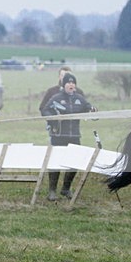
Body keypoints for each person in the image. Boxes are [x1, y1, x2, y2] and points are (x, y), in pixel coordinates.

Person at [41, 72, 96, 201]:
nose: (71, 85)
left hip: (74, 136)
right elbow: (45, 110)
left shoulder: (80, 99)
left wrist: (93, 110)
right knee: (56, 163)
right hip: (59, 136)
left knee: (74, 163)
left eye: (73, 83)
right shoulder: (56, 98)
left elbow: (89, 109)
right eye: (68, 83)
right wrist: (53, 120)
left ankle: (65, 189)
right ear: (64, 85)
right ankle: (52, 191)